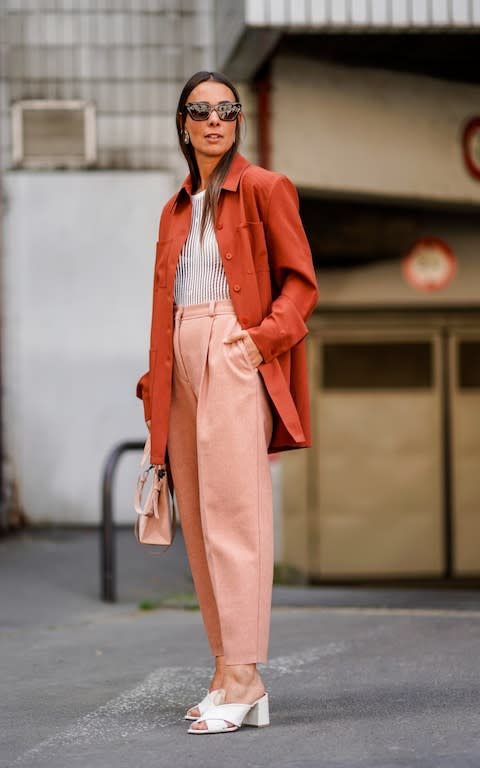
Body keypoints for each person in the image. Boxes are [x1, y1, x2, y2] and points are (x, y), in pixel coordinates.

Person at [136, 70, 318, 734]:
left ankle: (246, 674)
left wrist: (256, 344)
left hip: (233, 349)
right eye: (200, 110)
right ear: (182, 123)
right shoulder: (175, 208)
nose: (215, 120)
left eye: (226, 110)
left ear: (238, 122)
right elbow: (165, 304)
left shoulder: (267, 188)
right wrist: (157, 382)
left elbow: (300, 286)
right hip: (182, 361)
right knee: (202, 525)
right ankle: (226, 667)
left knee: (237, 516)